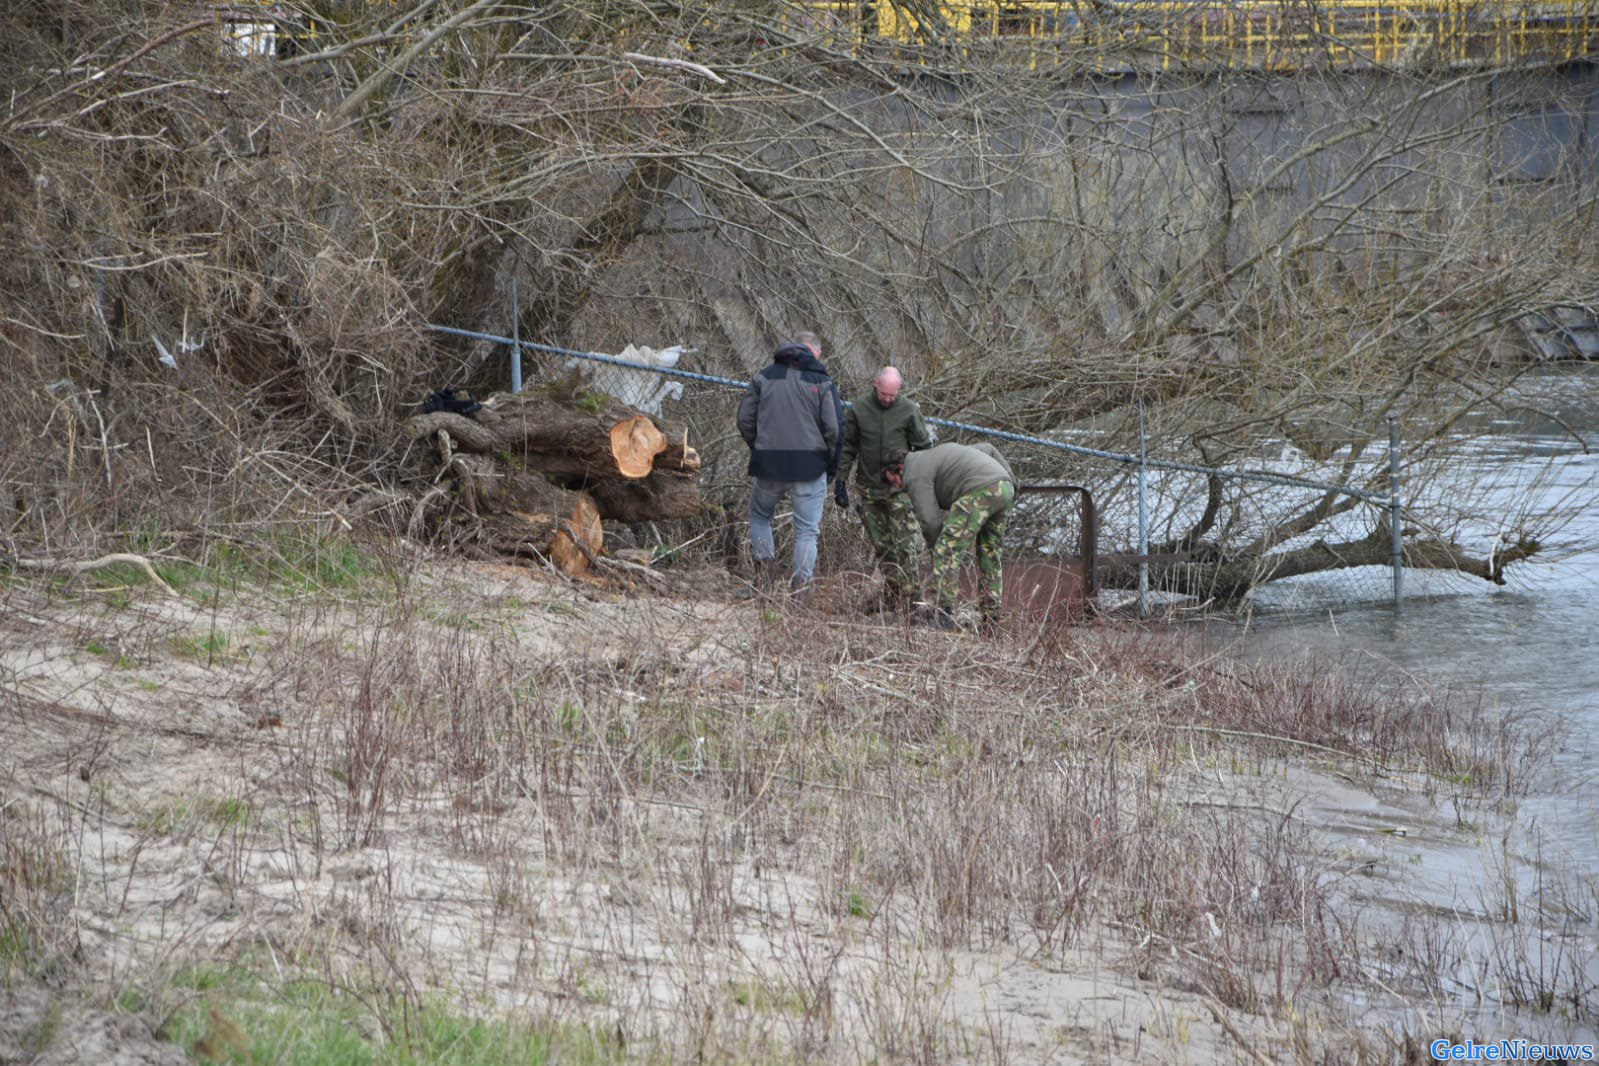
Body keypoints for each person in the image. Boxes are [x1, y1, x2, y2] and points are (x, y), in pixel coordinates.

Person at [736, 331, 844, 604]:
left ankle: (763, 581)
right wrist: (831, 464)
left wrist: (759, 447)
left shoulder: (765, 376)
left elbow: (744, 419)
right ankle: (800, 593)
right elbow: (834, 429)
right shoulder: (820, 380)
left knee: (760, 516)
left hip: (769, 463)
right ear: (814, 353)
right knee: (807, 531)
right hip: (810, 466)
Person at [881, 441, 1016, 629]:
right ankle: (991, 620)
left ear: (900, 468)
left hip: (978, 490)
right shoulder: (937, 456)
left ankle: (943, 616)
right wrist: (1012, 482)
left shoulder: (914, 473)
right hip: (1004, 487)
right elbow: (988, 448)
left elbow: (930, 521)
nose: (895, 486)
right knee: (989, 554)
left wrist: (937, 551)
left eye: (893, 480)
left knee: (946, 549)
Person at [835, 366, 932, 611]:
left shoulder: (909, 410)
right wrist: (840, 480)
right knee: (882, 546)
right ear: (875, 385)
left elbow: (923, 448)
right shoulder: (859, 409)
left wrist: (919, 484)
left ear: (899, 391)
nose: (887, 399)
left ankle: (913, 600)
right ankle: (892, 595)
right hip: (868, 490)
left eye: (892, 395)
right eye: (883, 394)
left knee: (905, 545)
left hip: (900, 491)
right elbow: (848, 447)